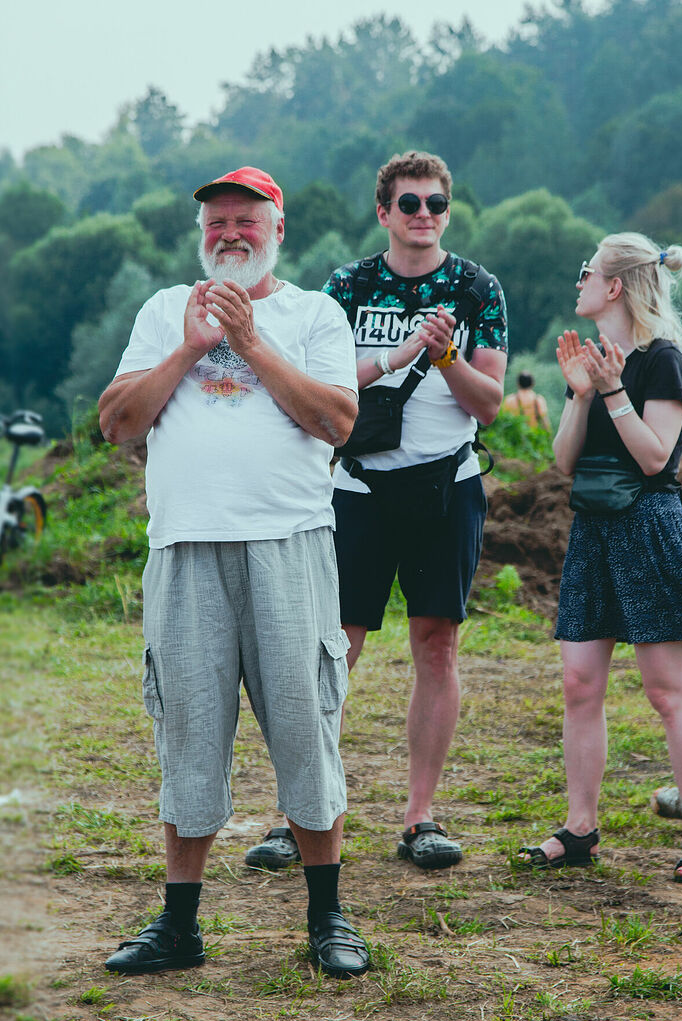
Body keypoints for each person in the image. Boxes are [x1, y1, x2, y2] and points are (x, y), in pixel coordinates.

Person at [98, 166, 371, 979]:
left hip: (288, 545)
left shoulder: (314, 315)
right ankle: (180, 925)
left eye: (246, 221)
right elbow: (117, 421)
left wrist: (249, 341)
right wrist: (192, 344)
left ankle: (327, 918)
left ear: (277, 230)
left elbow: (337, 421)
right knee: (187, 729)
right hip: (185, 548)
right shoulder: (164, 311)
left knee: (305, 725)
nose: (229, 235)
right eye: (216, 223)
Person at [246, 150, 508, 873]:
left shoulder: (477, 288)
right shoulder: (349, 287)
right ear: (384, 212)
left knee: (437, 645)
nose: (425, 215)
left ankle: (421, 817)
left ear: (447, 211)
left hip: (446, 486)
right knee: (334, 647)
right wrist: (397, 355)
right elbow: (314, 386)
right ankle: (299, 814)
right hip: (359, 488)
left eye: (436, 203)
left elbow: (490, 404)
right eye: (410, 203)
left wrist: (447, 356)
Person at [518, 232, 682, 882]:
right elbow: (564, 462)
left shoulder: (662, 360)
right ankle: (580, 828)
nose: (578, 282)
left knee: (666, 690)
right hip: (593, 533)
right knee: (579, 685)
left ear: (614, 286)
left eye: (587, 272)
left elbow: (657, 459)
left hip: (648, 530)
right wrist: (581, 394)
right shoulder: (593, 361)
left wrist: (613, 392)